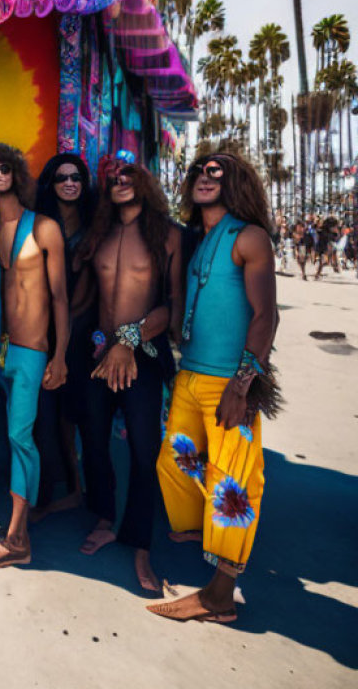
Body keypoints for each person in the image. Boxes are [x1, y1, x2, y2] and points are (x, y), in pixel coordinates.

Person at [150, 152, 278, 624]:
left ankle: (221, 593)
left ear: (236, 182)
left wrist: (243, 385)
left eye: (217, 172)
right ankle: (205, 539)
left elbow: (267, 316)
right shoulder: (198, 238)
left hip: (227, 381)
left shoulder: (249, 236)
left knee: (235, 485)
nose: (205, 177)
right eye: (199, 171)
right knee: (175, 461)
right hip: (189, 374)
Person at [74, 152, 181, 593]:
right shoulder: (98, 235)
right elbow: (80, 299)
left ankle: (140, 540)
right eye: (114, 176)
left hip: (145, 352)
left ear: (145, 181)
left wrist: (130, 342)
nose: (120, 180)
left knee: (143, 449)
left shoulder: (168, 235)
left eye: (129, 173)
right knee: (93, 440)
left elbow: (173, 307)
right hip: (100, 353)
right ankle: (104, 516)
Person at [0, 145, 69, 572]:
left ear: (18, 174)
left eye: (6, 168)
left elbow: (60, 298)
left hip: (30, 351)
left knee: (20, 438)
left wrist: (59, 356)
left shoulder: (44, 229)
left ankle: (17, 538)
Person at [30, 153, 97, 520]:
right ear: (51, 184)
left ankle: (76, 489)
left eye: (76, 177)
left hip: (82, 331)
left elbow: (89, 291)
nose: (70, 183)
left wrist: (66, 337)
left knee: (76, 415)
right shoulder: (41, 224)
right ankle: (51, 490)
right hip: (42, 331)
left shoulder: (94, 226)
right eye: (61, 177)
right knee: (45, 416)